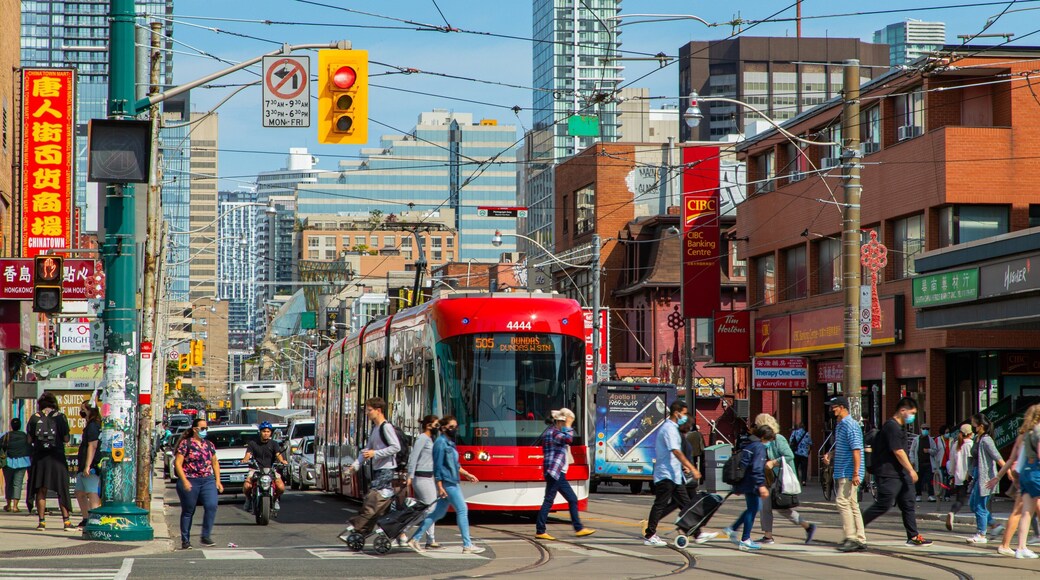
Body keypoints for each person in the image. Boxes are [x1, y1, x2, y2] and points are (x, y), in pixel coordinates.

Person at [861, 397, 932, 547]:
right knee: (884, 504)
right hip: (888, 473)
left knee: (908, 503)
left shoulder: (899, 428)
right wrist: (911, 470)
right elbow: (898, 451)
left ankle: (913, 536)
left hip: (900, 474)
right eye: (911, 413)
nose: (912, 416)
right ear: (902, 410)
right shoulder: (891, 427)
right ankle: (857, 527)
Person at [408, 416, 485, 554]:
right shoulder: (440, 443)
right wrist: (440, 485)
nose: (454, 429)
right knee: (462, 509)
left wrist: (467, 474)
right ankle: (467, 545)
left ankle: (415, 538)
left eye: (456, 427)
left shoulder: (450, 443)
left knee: (437, 513)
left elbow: (455, 465)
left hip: (452, 481)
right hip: (447, 483)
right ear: (443, 428)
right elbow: (437, 466)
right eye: (451, 427)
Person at [643, 401, 702, 547]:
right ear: (677, 413)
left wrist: (684, 467)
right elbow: (675, 451)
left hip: (674, 475)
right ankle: (650, 535)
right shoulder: (668, 429)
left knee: (686, 504)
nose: (685, 416)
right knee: (660, 504)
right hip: (666, 474)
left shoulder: (674, 428)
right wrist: (692, 468)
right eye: (684, 413)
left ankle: (697, 533)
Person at [342, 397, 401, 539]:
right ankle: (397, 534)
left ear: (378, 410)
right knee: (383, 505)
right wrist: (355, 465)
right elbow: (367, 449)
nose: (367, 413)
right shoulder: (375, 428)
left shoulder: (386, 427)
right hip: (378, 469)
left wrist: (376, 453)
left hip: (386, 470)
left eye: (369, 411)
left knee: (372, 500)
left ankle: (361, 529)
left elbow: (396, 447)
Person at [754, 414, 816, 545]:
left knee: (778, 507)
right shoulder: (763, 439)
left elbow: (789, 455)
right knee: (769, 506)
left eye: (758, 424)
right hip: (770, 478)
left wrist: (774, 463)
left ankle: (769, 536)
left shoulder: (778, 439)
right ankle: (806, 527)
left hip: (780, 478)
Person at [534, 408, 595, 541]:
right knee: (551, 500)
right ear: (559, 422)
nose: (564, 424)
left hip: (554, 471)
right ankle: (542, 530)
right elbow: (568, 439)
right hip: (556, 472)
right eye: (563, 422)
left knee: (569, 499)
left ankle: (577, 528)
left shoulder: (549, 432)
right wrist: (568, 425)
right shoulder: (554, 433)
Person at [987, 406, 1040, 557]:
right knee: (1024, 511)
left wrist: (998, 476)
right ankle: (1011, 545)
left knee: (1023, 512)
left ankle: (1017, 546)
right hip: (1035, 472)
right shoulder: (1037, 432)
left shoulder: (1023, 435)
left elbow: (1011, 459)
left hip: (1023, 474)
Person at [823, 395, 866, 552]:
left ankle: (851, 537)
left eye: (833, 407)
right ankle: (860, 538)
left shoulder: (851, 425)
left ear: (841, 407)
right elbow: (843, 447)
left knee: (842, 501)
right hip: (842, 470)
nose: (830, 410)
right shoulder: (840, 425)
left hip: (849, 472)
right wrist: (830, 454)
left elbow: (856, 450)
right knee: (852, 504)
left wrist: (856, 473)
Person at [26, 392, 73, 531]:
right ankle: (67, 522)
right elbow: (66, 439)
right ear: (54, 404)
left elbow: (29, 440)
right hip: (57, 458)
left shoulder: (34, 418)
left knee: (41, 490)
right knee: (62, 489)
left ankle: (42, 522)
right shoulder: (60, 417)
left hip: (40, 458)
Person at [174, 417, 222, 549]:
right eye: (202, 428)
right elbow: (178, 463)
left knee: (211, 505)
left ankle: (205, 536)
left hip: (207, 480)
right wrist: (184, 480)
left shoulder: (209, 445)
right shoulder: (186, 444)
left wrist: (218, 480)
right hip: (190, 479)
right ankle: (185, 540)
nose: (205, 431)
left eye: (206, 428)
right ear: (195, 429)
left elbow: (215, 462)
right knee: (189, 510)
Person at [724, 424, 772, 551]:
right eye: (768, 440)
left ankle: (733, 529)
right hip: (753, 482)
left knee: (752, 508)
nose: (768, 443)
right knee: (754, 509)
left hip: (745, 481)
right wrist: (761, 485)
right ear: (763, 438)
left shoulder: (748, 444)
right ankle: (745, 539)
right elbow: (757, 468)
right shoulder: (759, 447)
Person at [1005, 404, 1040, 559]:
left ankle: (1021, 547)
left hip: (1026, 471)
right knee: (1028, 510)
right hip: (1036, 471)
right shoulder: (1039, 431)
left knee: (1026, 511)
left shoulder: (1026, 433)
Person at [966, 413, 1005, 544]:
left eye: (974, 424)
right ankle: (994, 525)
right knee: (973, 504)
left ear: (980, 426)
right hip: (977, 475)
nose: (972, 426)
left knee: (979, 506)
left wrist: (1007, 471)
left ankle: (981, 534)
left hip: (986, 477)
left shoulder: (986, 440)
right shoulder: (977, 438)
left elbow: (997, 457)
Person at [405, 415, 440, 549]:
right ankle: (407, 532)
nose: (438, 427)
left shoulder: (431, 440)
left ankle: (430, 539)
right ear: (428, 425)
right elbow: (413, 457)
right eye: (436, 425)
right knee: (430, 509)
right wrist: (410, 476)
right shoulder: (422, 438)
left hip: (429, 478)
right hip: (421, 478)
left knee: (424, 510)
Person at [241, 421, 287, 512]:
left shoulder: (274, 444)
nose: (266, 433)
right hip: (256, 469)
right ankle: (248, 499)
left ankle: (275, 499)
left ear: (270, 433)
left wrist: (282, 461)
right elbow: (248, 454)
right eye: (264, 431)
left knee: (281, 487)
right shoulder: (253, 443)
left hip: (270, 469)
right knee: (246, 486)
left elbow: (278, 454)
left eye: (268, 431)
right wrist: (245, 460)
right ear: (260, 432)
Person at [74, 400, 102, 528]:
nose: (81, 412)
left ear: (90, 410)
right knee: (79, 492)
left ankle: (95, 518)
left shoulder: (93, 426)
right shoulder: (89, 425)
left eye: (83, 409)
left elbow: (93, 445)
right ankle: (86, 518)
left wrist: (88, 465)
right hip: (83, 465)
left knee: (91, 492)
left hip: (90, 466)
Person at [945, 424, 975, 532]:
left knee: (959, 499)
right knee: (976, 501)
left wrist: (952, 474)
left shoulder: (956, 444)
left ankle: (952, 512)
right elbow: (972, 462)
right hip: (969, 476)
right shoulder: (971, 445)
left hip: (958, 477)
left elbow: (951, 462)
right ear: (971, 434)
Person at [2, 418, 31, 513]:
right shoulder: (25, 436)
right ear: (20, 426)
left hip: (8, 462)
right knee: (18, 484)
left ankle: (8, 505)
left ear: (11, 426)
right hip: (22, 462)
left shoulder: (6, 436)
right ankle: (15, 506)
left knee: (8, 484)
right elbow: (30, 447)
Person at [909, 424, 935, 502]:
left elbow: (935, 451)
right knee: (918, 480)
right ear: (920, 429)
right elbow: (912, 451)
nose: (925, 430)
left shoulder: (931, 440)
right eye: (924, 428)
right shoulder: (916, 440)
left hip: (928, 463)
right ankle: (918, 495)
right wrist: (912, 461)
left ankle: (930, 495)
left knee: (930, 480)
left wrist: (929, 450)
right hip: (919, 463)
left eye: (927, 429)